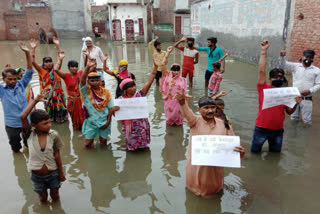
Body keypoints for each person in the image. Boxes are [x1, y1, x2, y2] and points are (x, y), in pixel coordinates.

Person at [175, 92, 245, 198]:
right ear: (199, 110)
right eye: (206, 107)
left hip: (215, 171)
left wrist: (241, 152)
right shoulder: (194, 122)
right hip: (196, 169)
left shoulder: (225, 125)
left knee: (213, 196)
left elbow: (234, 147)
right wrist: (182, 102)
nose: (210, 110)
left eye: (213, 107)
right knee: (192, 195)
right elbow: (186, 112)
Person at [251, 40, 302, 153]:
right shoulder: (263, 88)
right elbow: (261, 71)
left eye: (280, 77)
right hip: (261, 128)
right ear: (270, 79)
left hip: (278, 130)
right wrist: (264, 52)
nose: (278, 78)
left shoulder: (287, 93)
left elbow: (289, 112)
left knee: (275, 154)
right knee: (255, 153)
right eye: (275, 77)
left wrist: (296, 104)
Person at [20, 93, 66, 204]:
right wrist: (35, 101)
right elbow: (23, 117)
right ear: (34, 125)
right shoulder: (29, 134)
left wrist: (61, 172)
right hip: (37, 176)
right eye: (45, 123)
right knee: (42, 198)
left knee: (55, 196)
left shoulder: (53, 135)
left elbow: (57, 154)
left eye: (49, 121)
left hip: (53, 173)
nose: (49, 125)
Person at [0, 41, 34, 152]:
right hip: (12, 124)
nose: (13, 81)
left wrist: (27, 52)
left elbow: (29, 69)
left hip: (26, 121)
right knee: (15, 147)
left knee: (30, 144)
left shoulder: (21, 84)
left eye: (14, 79)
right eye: (10, 79)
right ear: (4, 79)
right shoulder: (2, 90)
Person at [116, 63, 158, 151]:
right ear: (125, 89)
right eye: (131, 87)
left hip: (142, 126)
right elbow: (117, 115)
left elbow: (149, 82)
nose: (134, 88)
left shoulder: (139, 95)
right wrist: (113, 110)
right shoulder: (120, 100)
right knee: (131, 148)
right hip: (129, 127)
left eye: (134, 85)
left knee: (144, 147)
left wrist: (155, 67)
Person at [80, 57, 118, 148]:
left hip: (104, 121)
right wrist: (87, 67)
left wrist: (108, 121)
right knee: (88, 144)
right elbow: (82, 80)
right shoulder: (86, 91)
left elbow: (110, 108)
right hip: (91, 122)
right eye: (92, 81)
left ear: (100, 81)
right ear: (88, 82)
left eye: (97, 80)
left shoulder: (106, 92)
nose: (95, 82)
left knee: (103, 143)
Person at [30, 38, 68, 123]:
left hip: (58, 94)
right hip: (47, 95)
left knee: (61, 109)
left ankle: (62, 120)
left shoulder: (56, 69)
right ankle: (50, 122)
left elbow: (61, 57)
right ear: (43, 64)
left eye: (50, 61)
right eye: (46, 62)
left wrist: (57, 45)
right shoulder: (41, 70)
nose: (49, 63)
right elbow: (32, 61)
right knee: (49, 110)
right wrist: (33, 48)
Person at [279, 49, 320, 124]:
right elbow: (283, 65)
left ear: (312, 59)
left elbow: (318, 84)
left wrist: (310, 91)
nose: (308, 59)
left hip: (307, 99)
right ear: (302, 57)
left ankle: (304, 135)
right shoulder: (296, 66)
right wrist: (282, 57)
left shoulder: (317, 70)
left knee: (307, 121)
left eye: (310, 58)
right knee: (293, 119)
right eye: (306, 57)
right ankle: (293, 135)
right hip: (294, 98)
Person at [54, 51, 84, 130]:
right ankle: (75, 135)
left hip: (81, 99)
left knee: (84, 118)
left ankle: (83, 133)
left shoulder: (81, 74)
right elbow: (56, 69)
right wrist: (60, 59)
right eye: (72, 67)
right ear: (69, 68)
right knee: (74, 120)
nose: (74, 68)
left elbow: (89, 67)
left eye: (76, 66)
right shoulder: (66, 76)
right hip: (71, 101)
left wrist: (87, 56)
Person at [159, 46, 187, 125]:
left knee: (179, 120)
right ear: (171, 70)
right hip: (169, 100)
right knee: (169, 119)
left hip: (178, 102)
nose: (176, 72)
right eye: (174, 70)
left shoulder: (183, 80)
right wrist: (168, 52)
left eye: (178, 70)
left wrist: (185, 102)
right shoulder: (167, 76)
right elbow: (163, 64)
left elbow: (185, 92)